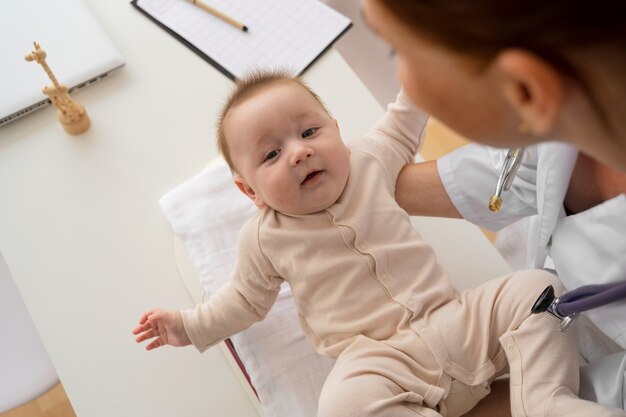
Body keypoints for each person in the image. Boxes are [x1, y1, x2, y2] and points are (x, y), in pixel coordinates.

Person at [133, 70, 625, 417]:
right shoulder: (264, 240)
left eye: (309, 131)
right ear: (249, 192)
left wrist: (421, 79)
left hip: (456, 323)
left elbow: (405, 118)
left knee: (538, 289)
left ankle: (545, 401)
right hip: (381, 362)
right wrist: (188, 326)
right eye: (272, 153)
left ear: (338, 134)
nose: (299, 151)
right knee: (341, 405)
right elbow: (242, 299)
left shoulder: (370, 159)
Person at [359, 0, 626, 414]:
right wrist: (349, 192)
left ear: (524, 89)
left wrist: (510, 398)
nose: (401, 80)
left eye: (400, 53)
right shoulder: (585, 89)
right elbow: (524, 164)